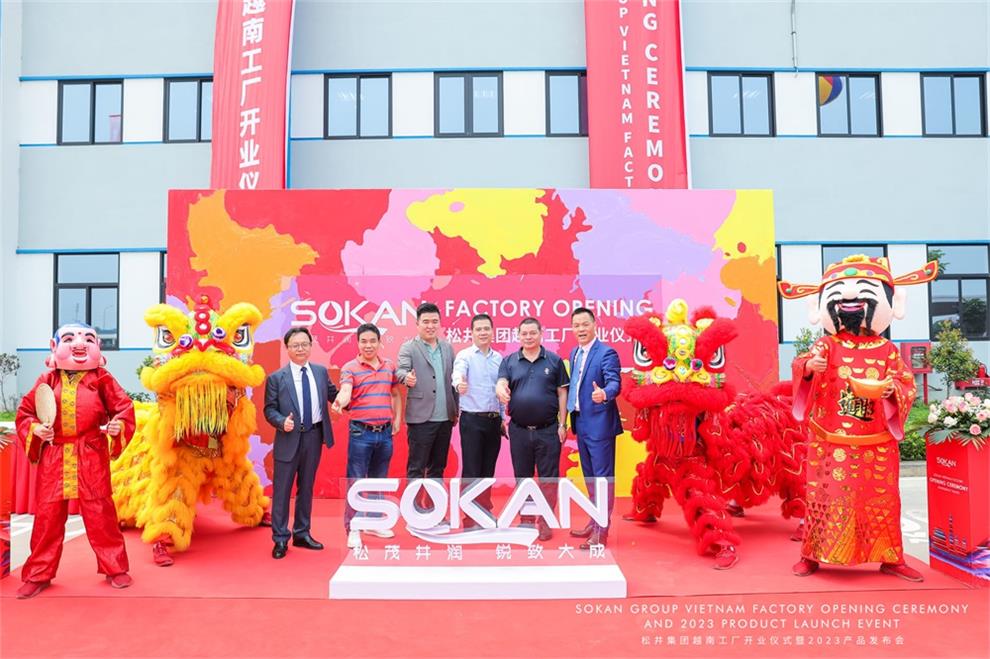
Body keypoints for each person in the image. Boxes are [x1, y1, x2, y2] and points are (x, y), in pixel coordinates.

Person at [779, 254, 939, 582]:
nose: (850, 299)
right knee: (825, 500)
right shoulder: (826, 345)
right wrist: (809, 368)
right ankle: (812, 555)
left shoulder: (888, 350)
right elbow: (802, 365)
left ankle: (890, 558)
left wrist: (891, 390)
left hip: (876, 447)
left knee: (881, 503)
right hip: (830, 444)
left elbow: (906, 384)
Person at [14, 323, 135, 599]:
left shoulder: (101, 378)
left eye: (88, 339)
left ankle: (115, 568)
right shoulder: (47, 379)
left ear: (98, 347)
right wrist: (36, 430)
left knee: (101, 514)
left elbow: (124, 408)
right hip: (55, 455)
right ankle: (38, 573)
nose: (79, 344)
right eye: (69, 339)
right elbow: (25, 413)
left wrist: (117, 425)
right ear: (54, 346)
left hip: (90, 453)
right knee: (47, 518)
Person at [263, 327, 337, 559]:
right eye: (295, 345)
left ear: (311, 346)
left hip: (313, 437)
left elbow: (334, 395)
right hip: (288, 438)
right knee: (282, 491)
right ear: (287, 348)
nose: (300, 349)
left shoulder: (320, 372)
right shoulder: (277, 378)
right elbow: (269, 410)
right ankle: (280, 538)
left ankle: (302, 533)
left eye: (304, 344)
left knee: (306, 488)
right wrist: (280, 421)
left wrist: (347, 395)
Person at [496, 317, 569, 541]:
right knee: (523, 478)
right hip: (519, 430)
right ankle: (526, 520)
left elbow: (562, 393)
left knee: (549, 479)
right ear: (518, 336)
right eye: (524, 333)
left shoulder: (554, 361)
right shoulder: (509, 361)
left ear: (540, 334)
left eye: (532, 333)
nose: (528, 337)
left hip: (548, 430)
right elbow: (501, 382)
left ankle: (545, 521)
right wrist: (500, 388)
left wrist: (562, 424)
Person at [333, 323, 403, 549]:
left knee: (378, 480)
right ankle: (353, 528)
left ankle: (373, 522)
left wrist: (397, 419)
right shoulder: (349, 368)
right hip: (360, 432)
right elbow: (345, 391)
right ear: (358, 343)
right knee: (356, 481)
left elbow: (395, 394)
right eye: (364, 341)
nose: (368, 345)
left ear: (380, 342)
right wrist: (340, 401)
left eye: (373, 341)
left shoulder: (389, 366)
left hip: (385, 433)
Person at [566, 307, 622, 549]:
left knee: (602, 479)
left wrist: (605, 393)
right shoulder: (574, 353)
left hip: (600, 425)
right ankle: (593, 520)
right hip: (581, 423)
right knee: (590, 478)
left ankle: (602, 530)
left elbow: (615, 382)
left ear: (594, 325)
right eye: (576, 325)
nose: (580, 329)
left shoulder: (606, 352)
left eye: (585, 324)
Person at [396, 302, 458, 510]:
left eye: (434, 321)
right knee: (416, 467)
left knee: (437, 468)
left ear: (439, 323)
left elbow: (454, 379)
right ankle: (413, 511)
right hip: (421, 418)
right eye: (426, 322)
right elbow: (400, 371)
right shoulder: (409, 347)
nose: (430, 326)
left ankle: (434, 510)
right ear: (417, 324)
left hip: (445, 417)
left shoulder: (447, 348)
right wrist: (407, 378)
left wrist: (456, 409)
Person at [451, 313, 504, 522]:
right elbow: (457, 374)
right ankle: (470, 515)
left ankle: (484, 510)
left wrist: (502, 418)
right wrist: (459, 384)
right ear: (471, 333)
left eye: (486, 329)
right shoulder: (465, 356)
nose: (483, 332)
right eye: (478, 329)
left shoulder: (499, 359)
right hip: (472, 420)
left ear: (492, 331)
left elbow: (500, 390)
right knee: (472, 468)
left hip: (494, 421)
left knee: (488, 468)